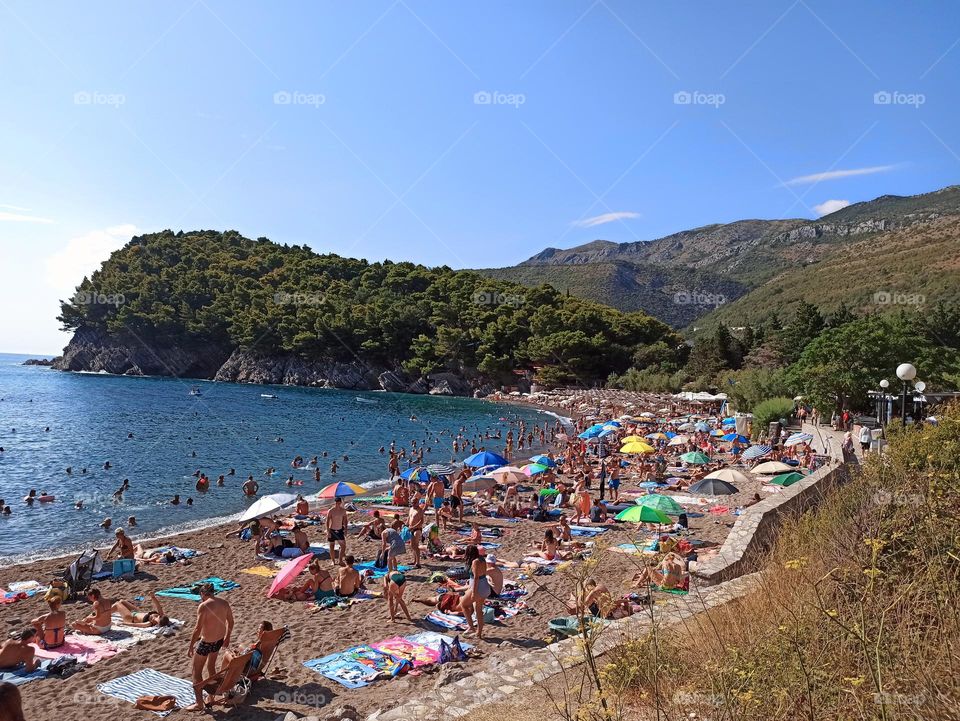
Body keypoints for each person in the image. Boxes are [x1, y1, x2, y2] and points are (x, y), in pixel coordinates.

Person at [186, 583, 235, 711]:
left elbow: (198, 628)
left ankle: (199, 703)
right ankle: (212, 697)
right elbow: (231, 621)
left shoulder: (204, 606)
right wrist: (228, 637)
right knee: (211, 666)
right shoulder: (224, 603)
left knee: (196, 671)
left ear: (203, 594)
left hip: (206, 643)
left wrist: (191, 645)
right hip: (219, 640)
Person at [460, 545, 490, 639]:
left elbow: (476, 577)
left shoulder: (475, 562)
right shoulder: (482, 559)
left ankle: (471, 627)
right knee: (478, 610)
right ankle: (478, 633)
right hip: (485, 585)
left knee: (463, 605)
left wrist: (473, 592)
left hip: (478, 587)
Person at [326, 496, 348, 565]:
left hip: (340, 530)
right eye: (337, 503)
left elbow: (345, 520)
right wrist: (328, 531)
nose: (338, 504)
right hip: (332, 530)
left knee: (343, 546)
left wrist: (346, 529)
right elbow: (327, 521)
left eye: (339, 503)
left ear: (341, 503)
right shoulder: (331, 511)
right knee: (332, 546)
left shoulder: (343, 510)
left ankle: (340, 560)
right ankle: (333, 561)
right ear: (335, 503)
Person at [407, 499, 424, 568]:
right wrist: (406, 525)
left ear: (418, 503)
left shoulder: (420, 510)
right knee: (412, 545)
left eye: (415, 502)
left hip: (417, 529)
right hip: (411, 529)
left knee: (416, 546)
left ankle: (418, 563)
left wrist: (413, 527)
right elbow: (409, 518)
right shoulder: (411, 509)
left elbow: (421, 521)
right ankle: (415, 561)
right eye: (412, 502)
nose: (413, 504)